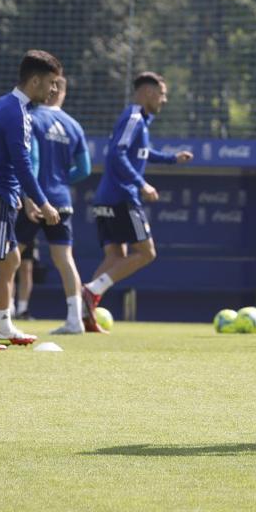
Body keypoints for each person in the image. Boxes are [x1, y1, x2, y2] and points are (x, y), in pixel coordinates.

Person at [0, 51, 63, 350]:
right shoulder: (16, 112)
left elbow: (0, 158)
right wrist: (43, 202)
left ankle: (4, 327)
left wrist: (24, 199)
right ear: (34, 80)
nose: (54, 90)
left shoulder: (2, 104)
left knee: (12, 260)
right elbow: (21, 164)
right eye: (52, 83)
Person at [0, 76, 92, 334]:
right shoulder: (74, 125)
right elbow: (84, 169)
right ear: (63, 94)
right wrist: (62, 180)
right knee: (65, 259)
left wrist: (32, 196)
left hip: (35, 200)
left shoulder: (31, 117)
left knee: (5, 258)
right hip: (62, 199)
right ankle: (75, 320)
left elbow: (33, 161)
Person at [81, 72, 192, 331]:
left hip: (106, 197)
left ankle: (83, 315)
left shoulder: (140, 121)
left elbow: (143, 153)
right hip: (122, 197)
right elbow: (117, 154)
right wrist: (142, 183)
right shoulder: (133, 117)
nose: (164, 100)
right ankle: (91, 290)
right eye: (162, 94)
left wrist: (172, 158)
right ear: (149, 92)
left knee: (116, 256)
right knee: (146, 252)